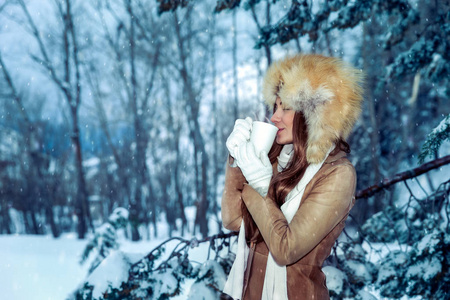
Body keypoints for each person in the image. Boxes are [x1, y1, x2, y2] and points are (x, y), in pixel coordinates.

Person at [221, 54, 364, 300]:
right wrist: (237, 159)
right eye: (275, 106)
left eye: (285, 108)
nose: (274, 117)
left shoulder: (338, 174)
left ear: (315, 116)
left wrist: (262, 186)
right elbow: (233, 219)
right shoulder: (276, 161)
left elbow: (286, 249)